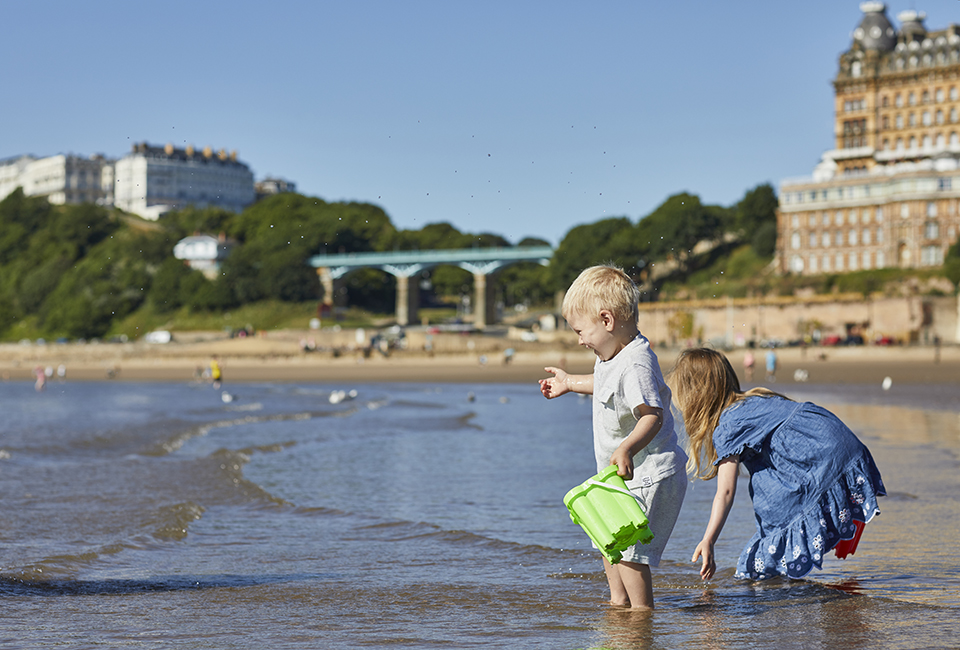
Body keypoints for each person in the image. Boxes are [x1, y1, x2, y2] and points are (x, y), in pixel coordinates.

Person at [540, 265, 687, 609]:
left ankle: (640, 615)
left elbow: (652, 415)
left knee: (631, 549)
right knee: (606, 538)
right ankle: (618, 603)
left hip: (650, 472)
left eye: (580, 331)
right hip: (622, 474)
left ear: (607, 320)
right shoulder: (611, 357)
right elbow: (606, 385)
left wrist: (626, 447)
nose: (579, 340)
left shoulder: (636, 362)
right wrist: (569, 383)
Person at [671, 348, 886, 582]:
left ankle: (781, 597)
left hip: (821, 456)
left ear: (695, 395)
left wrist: (708, 540)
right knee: (767, 487)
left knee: (754, 567)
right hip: (840, 441)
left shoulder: (728, 425)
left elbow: (725, 492)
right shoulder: (755, 398)